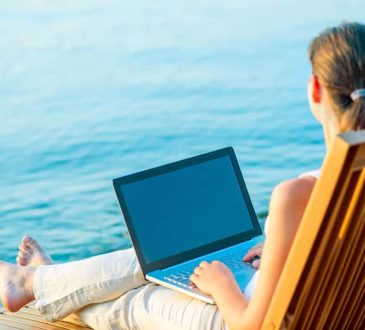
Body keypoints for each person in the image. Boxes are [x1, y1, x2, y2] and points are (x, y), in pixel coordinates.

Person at [1, 21, 365, 330]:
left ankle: (37, 282)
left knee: (133, 300)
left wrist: (222, 285)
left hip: (241, 317)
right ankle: (42, 279)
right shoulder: (341, 186)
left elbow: (251, 326)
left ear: (315, 89)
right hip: (328, 311)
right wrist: (285, 250)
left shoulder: (297, 194)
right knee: (161, 259)